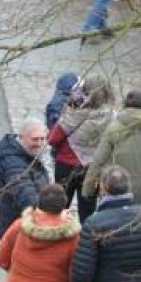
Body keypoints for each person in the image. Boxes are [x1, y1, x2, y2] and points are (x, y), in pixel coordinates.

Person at [0, 184, 81, 282]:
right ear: (63, 206)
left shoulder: (20, 226)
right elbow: (76, 277)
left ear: (39, 203)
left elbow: (1, 259)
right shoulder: (72, 237)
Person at [83, 91, 141, 206]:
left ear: (126, 105)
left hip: (117, 192)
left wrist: (88, 189)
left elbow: (98, 161)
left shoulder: (114, 129)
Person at [52, 76, 114, 222]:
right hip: (92, 168)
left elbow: (53, 139)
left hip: (66, 164)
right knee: (87, 211)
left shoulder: (75, 113)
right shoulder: (112, 116)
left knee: (60, 208)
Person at [0, 119, 52, 239]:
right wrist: (52, 213)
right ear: (21, 138)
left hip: (25, 224)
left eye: (43, 138)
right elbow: (26, 195)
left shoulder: (27, 155)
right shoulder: (13, 164)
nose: (40, 143)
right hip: (14, 230)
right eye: (35, 139)